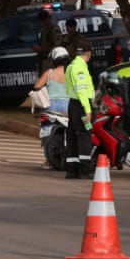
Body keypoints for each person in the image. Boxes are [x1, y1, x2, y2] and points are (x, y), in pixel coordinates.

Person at [64, 40, 96, 178]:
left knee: (72, 137)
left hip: (72, 104)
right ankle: (85, 170)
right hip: (81, 105)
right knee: (84, 137)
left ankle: (72, 170)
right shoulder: (80, 68)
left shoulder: (71, 66)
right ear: (88, 54)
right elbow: (82, 91)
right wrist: (87, 110)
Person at [33, 45, 70, 114]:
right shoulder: (70, 72)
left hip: (50, 106)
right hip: (67, 105)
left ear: (54, 60)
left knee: (46, 123)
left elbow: (36, 86)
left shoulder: (49, 73)